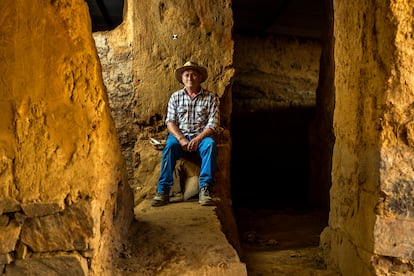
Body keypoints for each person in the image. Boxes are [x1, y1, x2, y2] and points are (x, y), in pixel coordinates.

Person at [151, 61, 219, 207]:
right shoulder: (175, 97)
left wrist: (199, 138)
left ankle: (205, 189)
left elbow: (213, 124)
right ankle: (163, 191)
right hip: (180, 137)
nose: (190, 78)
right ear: (182, 78)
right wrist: (181, 139)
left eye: (194, 74)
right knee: (169, 147)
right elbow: (170, 122)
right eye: (186, 75)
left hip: (201, 137)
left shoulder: (210, 97)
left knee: (211, 145)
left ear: (200, 77)